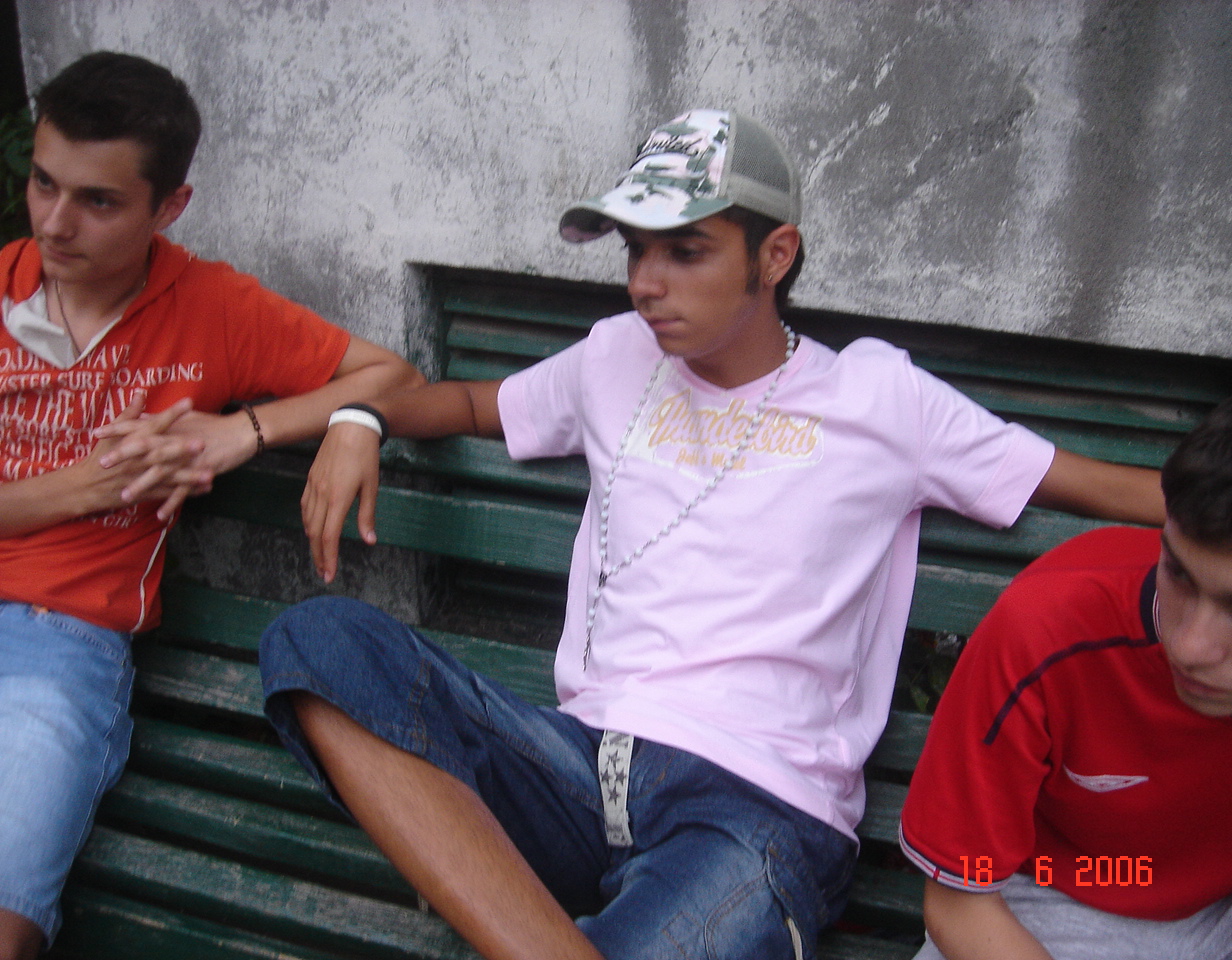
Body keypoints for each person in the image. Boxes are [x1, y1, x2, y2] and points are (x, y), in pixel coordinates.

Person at [260, 109, 1166, 960]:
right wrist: (361, 418)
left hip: (755, 809)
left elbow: (1108, 487)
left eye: (685, 251)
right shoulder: (618, 356)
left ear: (775, 255)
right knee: (317, 643)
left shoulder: (879, 398)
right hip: (578, 770)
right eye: (636, 250)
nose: (645, 283)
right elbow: (464, 404)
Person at [0, 51, 422, 957]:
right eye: (43, 184)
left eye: (97, 201)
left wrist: (247, 431)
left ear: (170, 207)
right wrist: (89, 486)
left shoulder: (210, 308)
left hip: (57, 636)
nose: (55, 223)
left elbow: (391, 375)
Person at [898, 376, 1232, 960]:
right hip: (1058, 892)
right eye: (1178, 573)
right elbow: (960, 899)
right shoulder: (1047, 627)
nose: (1190, 646)